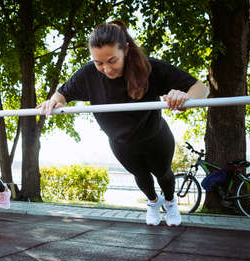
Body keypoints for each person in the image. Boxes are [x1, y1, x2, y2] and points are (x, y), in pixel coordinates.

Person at [38, 21, 209, 226]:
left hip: (155, 136)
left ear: (126, 50)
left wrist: (184, 97)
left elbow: (201, 89)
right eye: (99, 63)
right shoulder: (88, 75)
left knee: (163, 174)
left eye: (112, 61)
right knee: (141, 176)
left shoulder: (150, 68)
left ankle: (170, 202)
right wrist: (53, 101)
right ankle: (153, 202)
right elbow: (62, 94)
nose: (106, 69)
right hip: (121, 143)